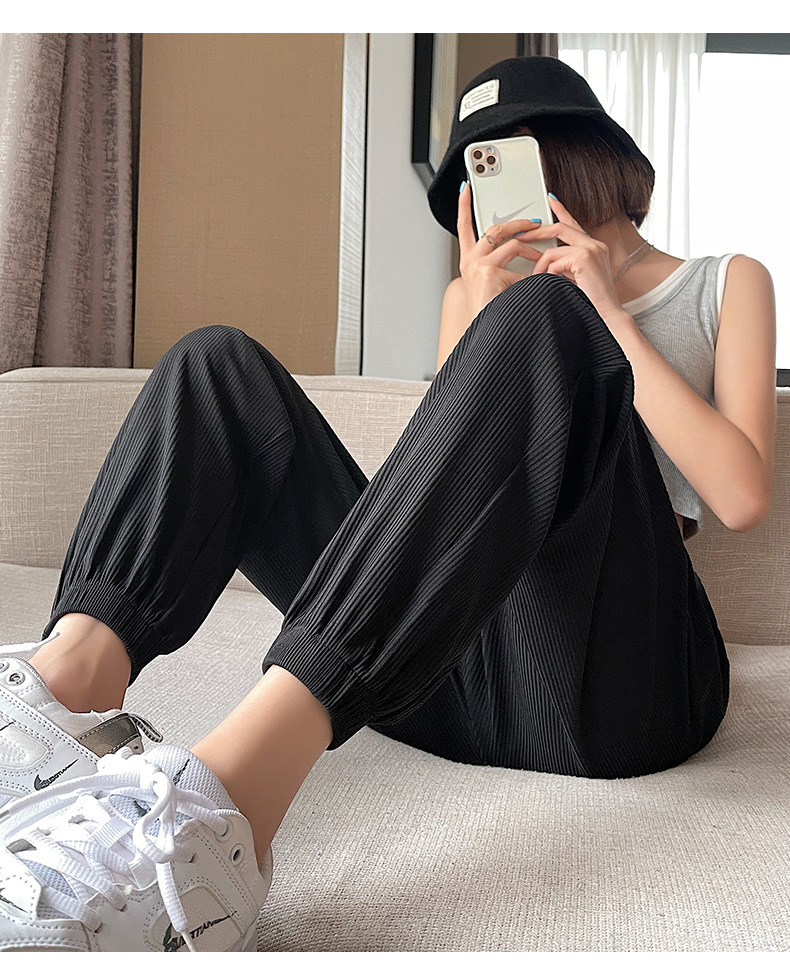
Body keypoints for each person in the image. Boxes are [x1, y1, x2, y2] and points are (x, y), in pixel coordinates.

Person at [0, 56, 775, 952]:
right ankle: (58, 706)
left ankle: (216, 825)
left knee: (550, 322)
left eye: (512, 159)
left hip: (623, 688)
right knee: (217, 371)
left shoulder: (726, 281)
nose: (493, 194)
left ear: (588, 151)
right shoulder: (478, 295)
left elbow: (741, 494)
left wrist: (598, 311)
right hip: (455, 673)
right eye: (476, 176)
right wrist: (481, 310)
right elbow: (450, 503)